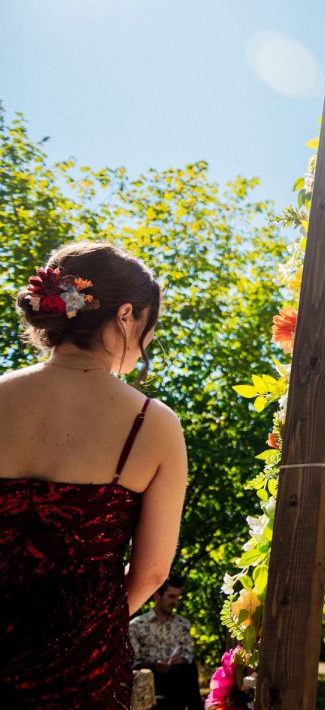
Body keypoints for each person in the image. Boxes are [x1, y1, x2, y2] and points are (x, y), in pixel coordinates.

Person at [0, 242, 187, 709]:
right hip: (84, 668)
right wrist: (85, 624)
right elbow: (151, 571)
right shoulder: (154, 423)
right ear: (126, 314)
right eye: (148, 326)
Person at [129, 577, 204, 710]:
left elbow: (187, 654)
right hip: (150, 675)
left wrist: (178, 660)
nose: (175, 602)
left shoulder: (182, 624)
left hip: (176, 674)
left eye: (177, 597)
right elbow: (134, 660)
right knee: (146, 674)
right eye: (171, 596)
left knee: (189, 669)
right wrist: (154, 664)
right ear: (157, 595)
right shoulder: (137, 625)